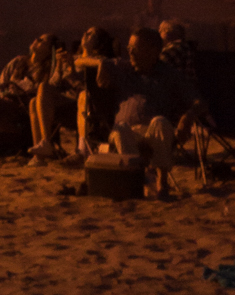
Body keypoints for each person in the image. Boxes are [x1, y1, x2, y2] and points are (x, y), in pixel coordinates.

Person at [80, 26, 206, 199]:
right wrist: (100, 63)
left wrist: (188, 116)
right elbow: (78, 61)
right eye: (129, 48)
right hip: (127, 132)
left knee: (161, 122)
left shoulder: (170, 75)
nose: (129, 52)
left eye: (135, 48)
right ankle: (137, 179)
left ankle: (162, 181)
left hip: (155, 132)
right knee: (121, 128)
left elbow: (198, 102)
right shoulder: (123, 68)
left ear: (154, 51)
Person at [0, 34, 54, 162]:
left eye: (42, 41)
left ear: (49, 50)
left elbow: (47, 92)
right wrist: (4, 93)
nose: (36, 40)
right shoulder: (18, 62)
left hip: (24, 112)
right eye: (37, 38)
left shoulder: (48, 69)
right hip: (6, 105)